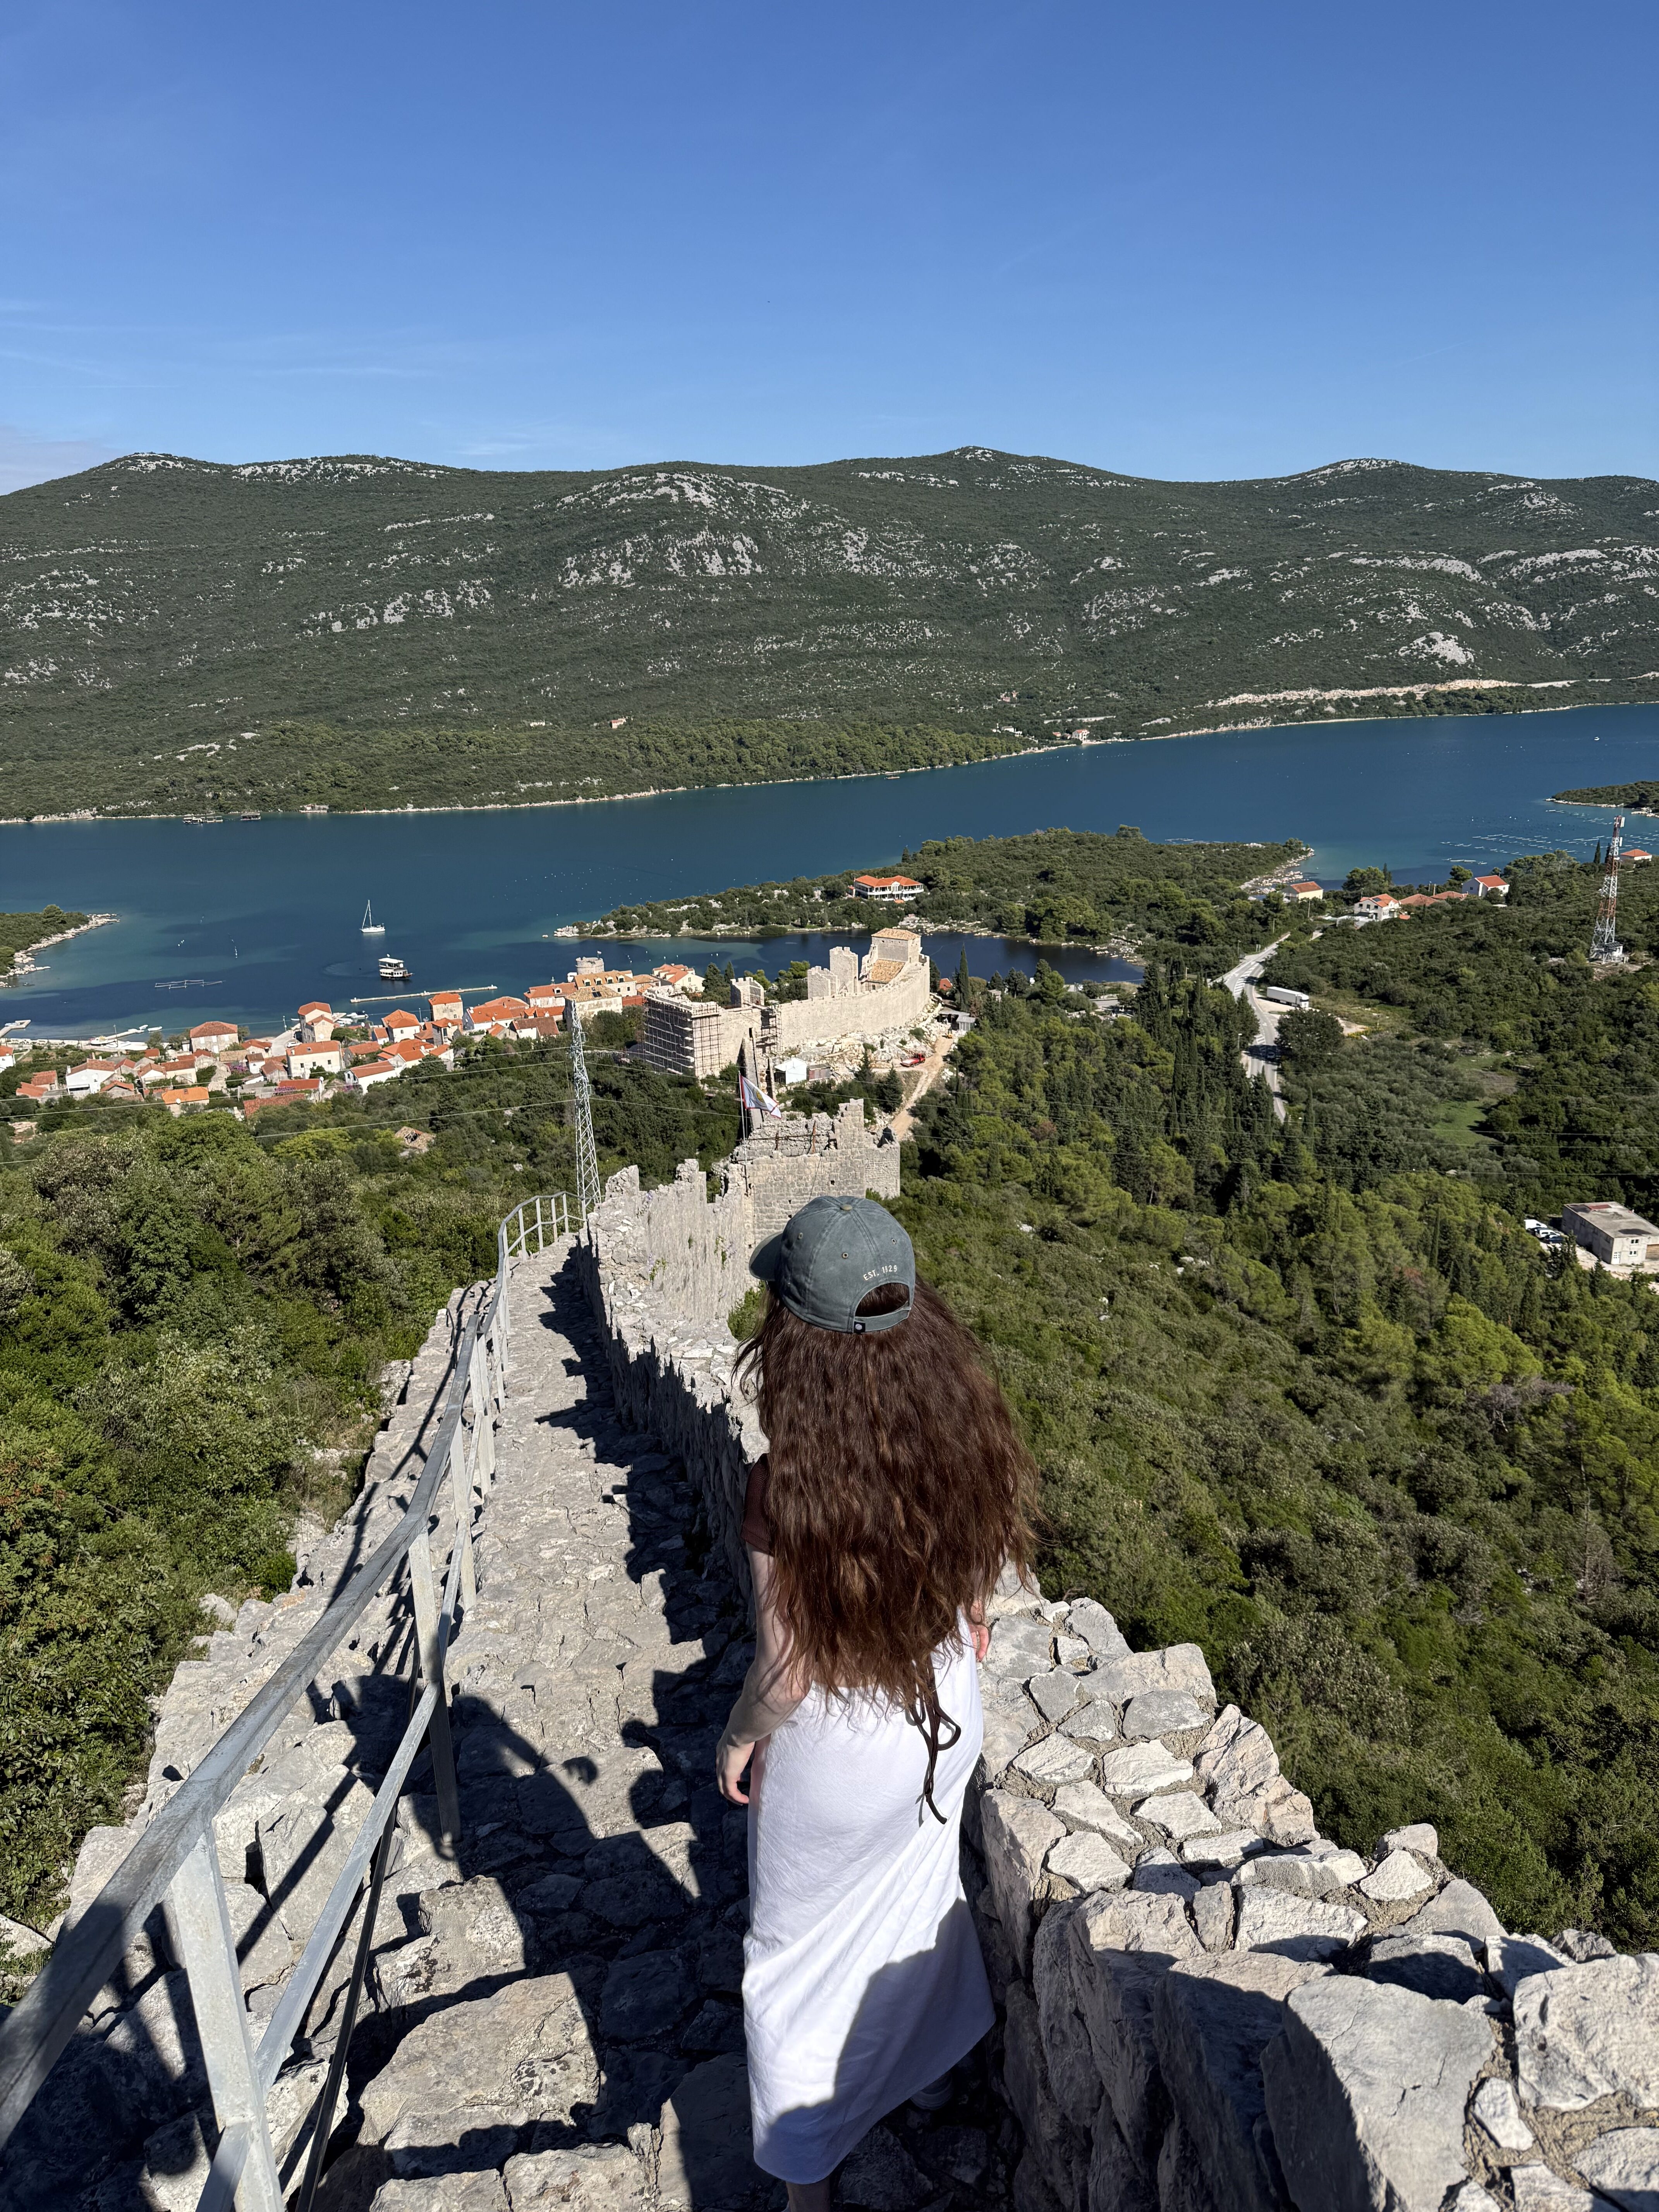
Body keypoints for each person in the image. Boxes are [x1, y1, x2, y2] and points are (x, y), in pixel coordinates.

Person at [716, 1194, 1037, 2210]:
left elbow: (787, 1669)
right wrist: (972, 1614)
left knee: (792, 1957)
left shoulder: (787, 1485)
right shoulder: (963, 1432)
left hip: (838, 1750)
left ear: (793, 1334)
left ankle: (804, 2174)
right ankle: (932, 2077)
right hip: (945, 1704)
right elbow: (979, 1562)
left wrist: (736, 1740)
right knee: (911, 1893)